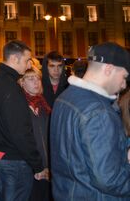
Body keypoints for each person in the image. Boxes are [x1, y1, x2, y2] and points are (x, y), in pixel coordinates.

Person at [50, 42, 130, 200]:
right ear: (109, 69)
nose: (124, 84)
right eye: (124, 76)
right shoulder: (99, 111)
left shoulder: (65, 97)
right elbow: (111, 180)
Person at [0, 40, 47, 201]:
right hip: (13, 160)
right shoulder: (10, 86)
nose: (28, 65)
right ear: (14, 59)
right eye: (26, 60)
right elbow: (20, 130)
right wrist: (37, 164)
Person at [18, 66, 52, 201]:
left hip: (45, 164)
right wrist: (36, 167)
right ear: (22, 82)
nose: (36, 82)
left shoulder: (44, 106)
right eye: (31, 79)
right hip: (27, 165)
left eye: (38, 78)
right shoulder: (20, 106)